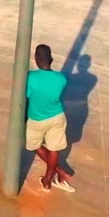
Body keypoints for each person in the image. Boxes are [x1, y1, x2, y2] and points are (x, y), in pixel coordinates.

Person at [25, 44, 75, 193]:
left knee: (34, 145)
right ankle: (47, 181)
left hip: (36, 118)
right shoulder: (61, 79)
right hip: (57, 116)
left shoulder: (30, 77)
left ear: (36, 58)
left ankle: (59, 171)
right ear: (51, 59)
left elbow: (27, 96)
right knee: (54, 149)